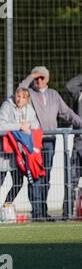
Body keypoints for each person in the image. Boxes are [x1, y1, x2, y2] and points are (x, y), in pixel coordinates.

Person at [19, 67, 82, 220]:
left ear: (47, 79)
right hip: (34, 140)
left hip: (50, 141)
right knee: (34, 177)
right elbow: (20, 91)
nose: (39, 81)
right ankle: (36, 212)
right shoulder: (30, 94)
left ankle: (43, 211)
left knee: (46, 177)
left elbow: (67, 112)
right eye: (36, 78)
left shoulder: (53, 94)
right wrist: (31, 75)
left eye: (42, 78)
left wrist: (80, 123)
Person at [0, 88, 40, 223]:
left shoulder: (29, 109)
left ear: (27, 99)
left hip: (18, 153)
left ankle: (6, 206)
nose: (19, 100)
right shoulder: (7, 106)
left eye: (23, 97)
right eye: (18, 96)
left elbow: (35, 124)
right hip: (3, 151)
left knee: (18, 182)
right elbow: (0, 125)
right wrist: (19, 126)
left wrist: (28, 124)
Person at [64, 74, 82, 219]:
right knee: (72, 178)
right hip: (80, 142)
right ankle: (67, 211)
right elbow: (69, 85)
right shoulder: (79, 93)